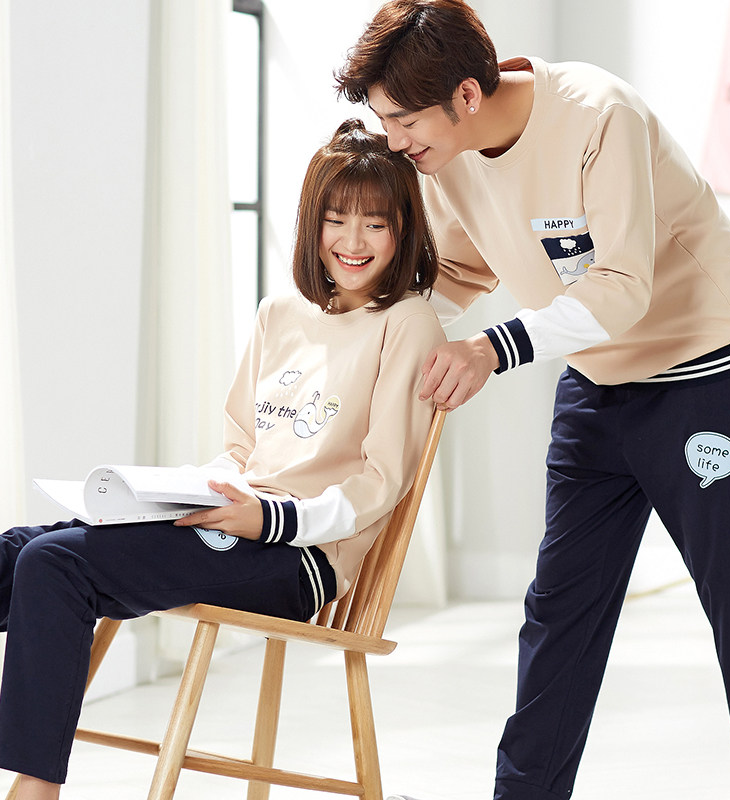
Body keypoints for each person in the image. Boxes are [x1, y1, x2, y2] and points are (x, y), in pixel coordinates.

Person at [335, 2, 730, 799]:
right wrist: (360, 337)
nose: (397, 142)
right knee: (559, 609)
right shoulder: (446, 159)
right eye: (385, 122)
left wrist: (492, 349)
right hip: (597, 385)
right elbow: (459, 271)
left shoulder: (598, 116)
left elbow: (620, 288)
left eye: (405, 121)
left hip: (707, 374)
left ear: (467, 96)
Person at [0, 118, 445, 800]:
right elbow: (242, 446)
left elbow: (381, 483)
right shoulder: (281, 313)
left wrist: (268, 518)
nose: (353, 242)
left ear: (403, 228)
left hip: (298, 557)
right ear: (312, 223)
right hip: (228, 525)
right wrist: (169, 496)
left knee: (54, 563)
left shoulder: (407, 322)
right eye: (336, 219)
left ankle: (34, 791)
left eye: (375, 224)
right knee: (14, 554)